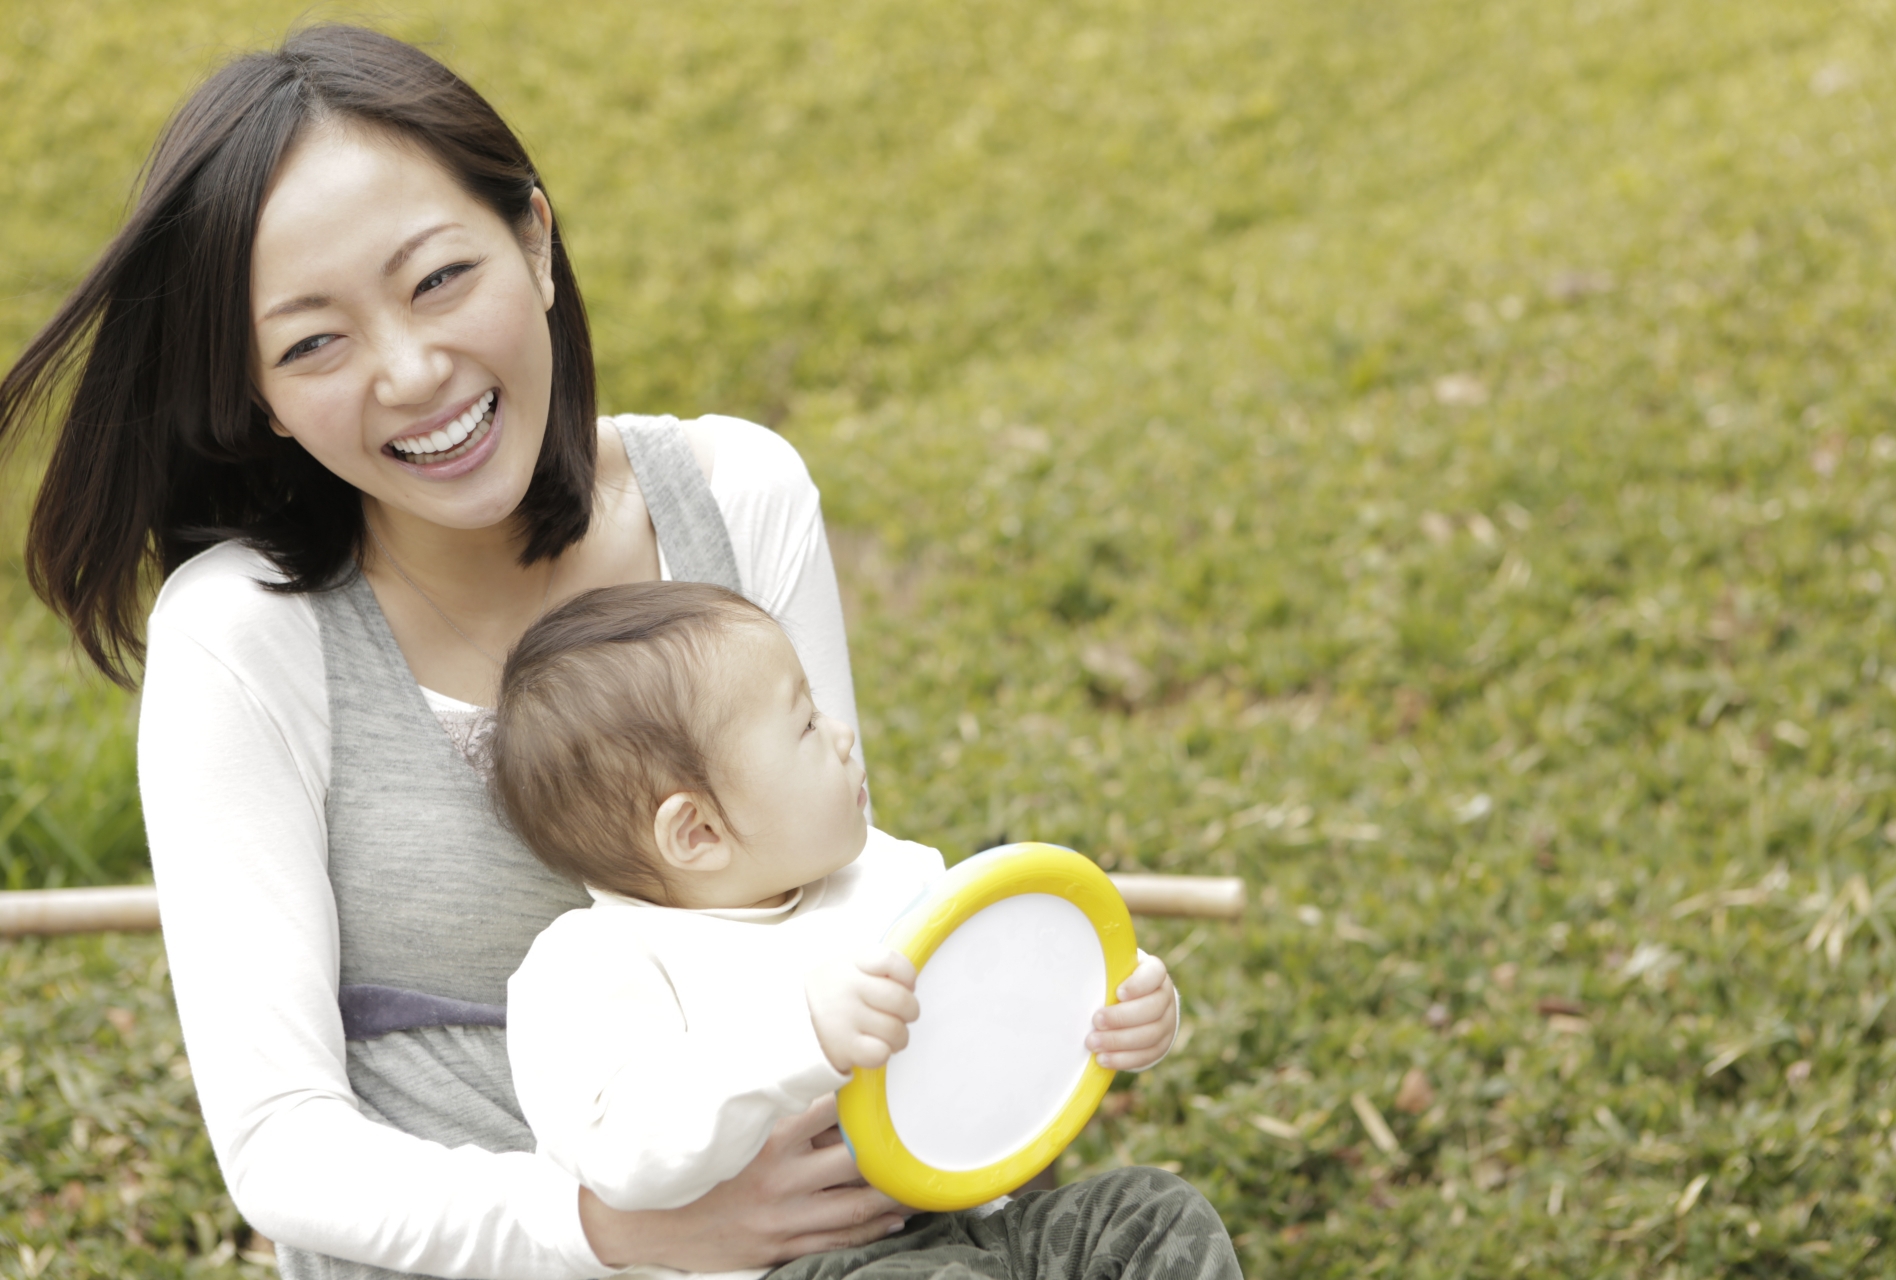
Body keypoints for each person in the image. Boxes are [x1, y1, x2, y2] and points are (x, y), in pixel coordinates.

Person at [0, 22, 1237, 1280]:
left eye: (437, 279)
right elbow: (283, 1146)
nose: (413, 371)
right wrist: (612, 1228)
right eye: (314, 341)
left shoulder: (735, 493)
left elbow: (828, 888)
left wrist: (1061, 1010)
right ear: (259, 393)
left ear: (534, 240)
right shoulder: (245, 636)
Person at [489, 582, 1228, 1280]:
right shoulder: (597, 964)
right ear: (698, 830)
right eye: (806, 724)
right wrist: (799, 1035)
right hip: (812, 1264)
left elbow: (997, 1003)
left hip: (982, 1225)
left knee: (1155, 1214)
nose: (843, 735)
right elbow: (624, 1150)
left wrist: (1112, 1008)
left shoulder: (887, 873)